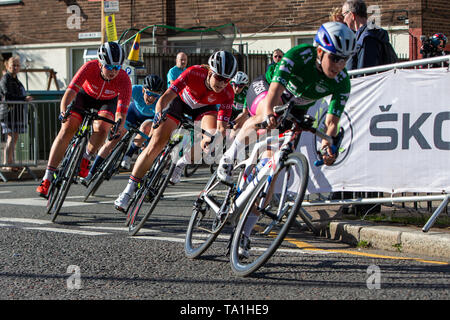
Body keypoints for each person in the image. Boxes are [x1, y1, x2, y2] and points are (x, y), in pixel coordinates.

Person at [217, 22, 356, 257]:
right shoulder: (297, 56)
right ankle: (229, 158)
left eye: (345, 59)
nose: (339, 65)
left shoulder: (342, 81)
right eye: (335, 58)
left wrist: (327, 146)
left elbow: (331, 123)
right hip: (269, 89)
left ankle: (244, 235)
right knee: (264, 117)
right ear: (320, 51)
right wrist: (270, 112)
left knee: (273, 172)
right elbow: (273, 95)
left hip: (298, 106)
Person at [114, 50, 237, 212]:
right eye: (219, 78)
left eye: (227, 80)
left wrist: (213, 141)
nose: (222, 83)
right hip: (180, 102)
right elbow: (165, 98)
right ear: (210, 72)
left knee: (210, 137)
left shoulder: (228, 93)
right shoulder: (193, 72)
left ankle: (181, 163)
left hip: (204, 109)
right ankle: (128, 190)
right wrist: (158, 113)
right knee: (156, 144)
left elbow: (221, 128)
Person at [36, 42, 131, 197]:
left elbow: (122, 112)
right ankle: (47, 178)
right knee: (67, 129)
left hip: (107, 102)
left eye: (117, 67)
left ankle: (86, 158)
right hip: (84, 97)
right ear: (100, 63)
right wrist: (63, 111)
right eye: (110, 67)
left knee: (103, 128)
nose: (114, 72)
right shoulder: (89, 67)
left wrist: (118, 125)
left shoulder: (124, 79)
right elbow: (70, 92)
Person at [80, 74, 164, 185]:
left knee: (145, 128)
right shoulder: (135, 89)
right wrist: (116, 120)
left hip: (148, 120)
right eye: (148, 94)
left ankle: (129, 154)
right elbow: (118, 102)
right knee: (113, 140)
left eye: (155, 95)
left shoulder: (161, 101)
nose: (151, 98)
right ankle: (90, 173)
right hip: (132, 114)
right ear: (143, 90)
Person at [0, 56, 33, 172]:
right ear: (8, 66)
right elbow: (7, 95)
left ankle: (11, 162)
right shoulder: (5, 79)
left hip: (16, 113)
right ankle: (7, 163)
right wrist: (24, 98)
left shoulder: (15, 79)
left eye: (17, 65)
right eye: (13, 65)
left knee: (14, 138)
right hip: (8, 113)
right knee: (10, 137)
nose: (15, 67)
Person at [342, 0, 391, 70]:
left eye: (344, 15)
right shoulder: (371, 34)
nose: (344, 20)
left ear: (352, 15)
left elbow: (365, 72)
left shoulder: (367, 39)